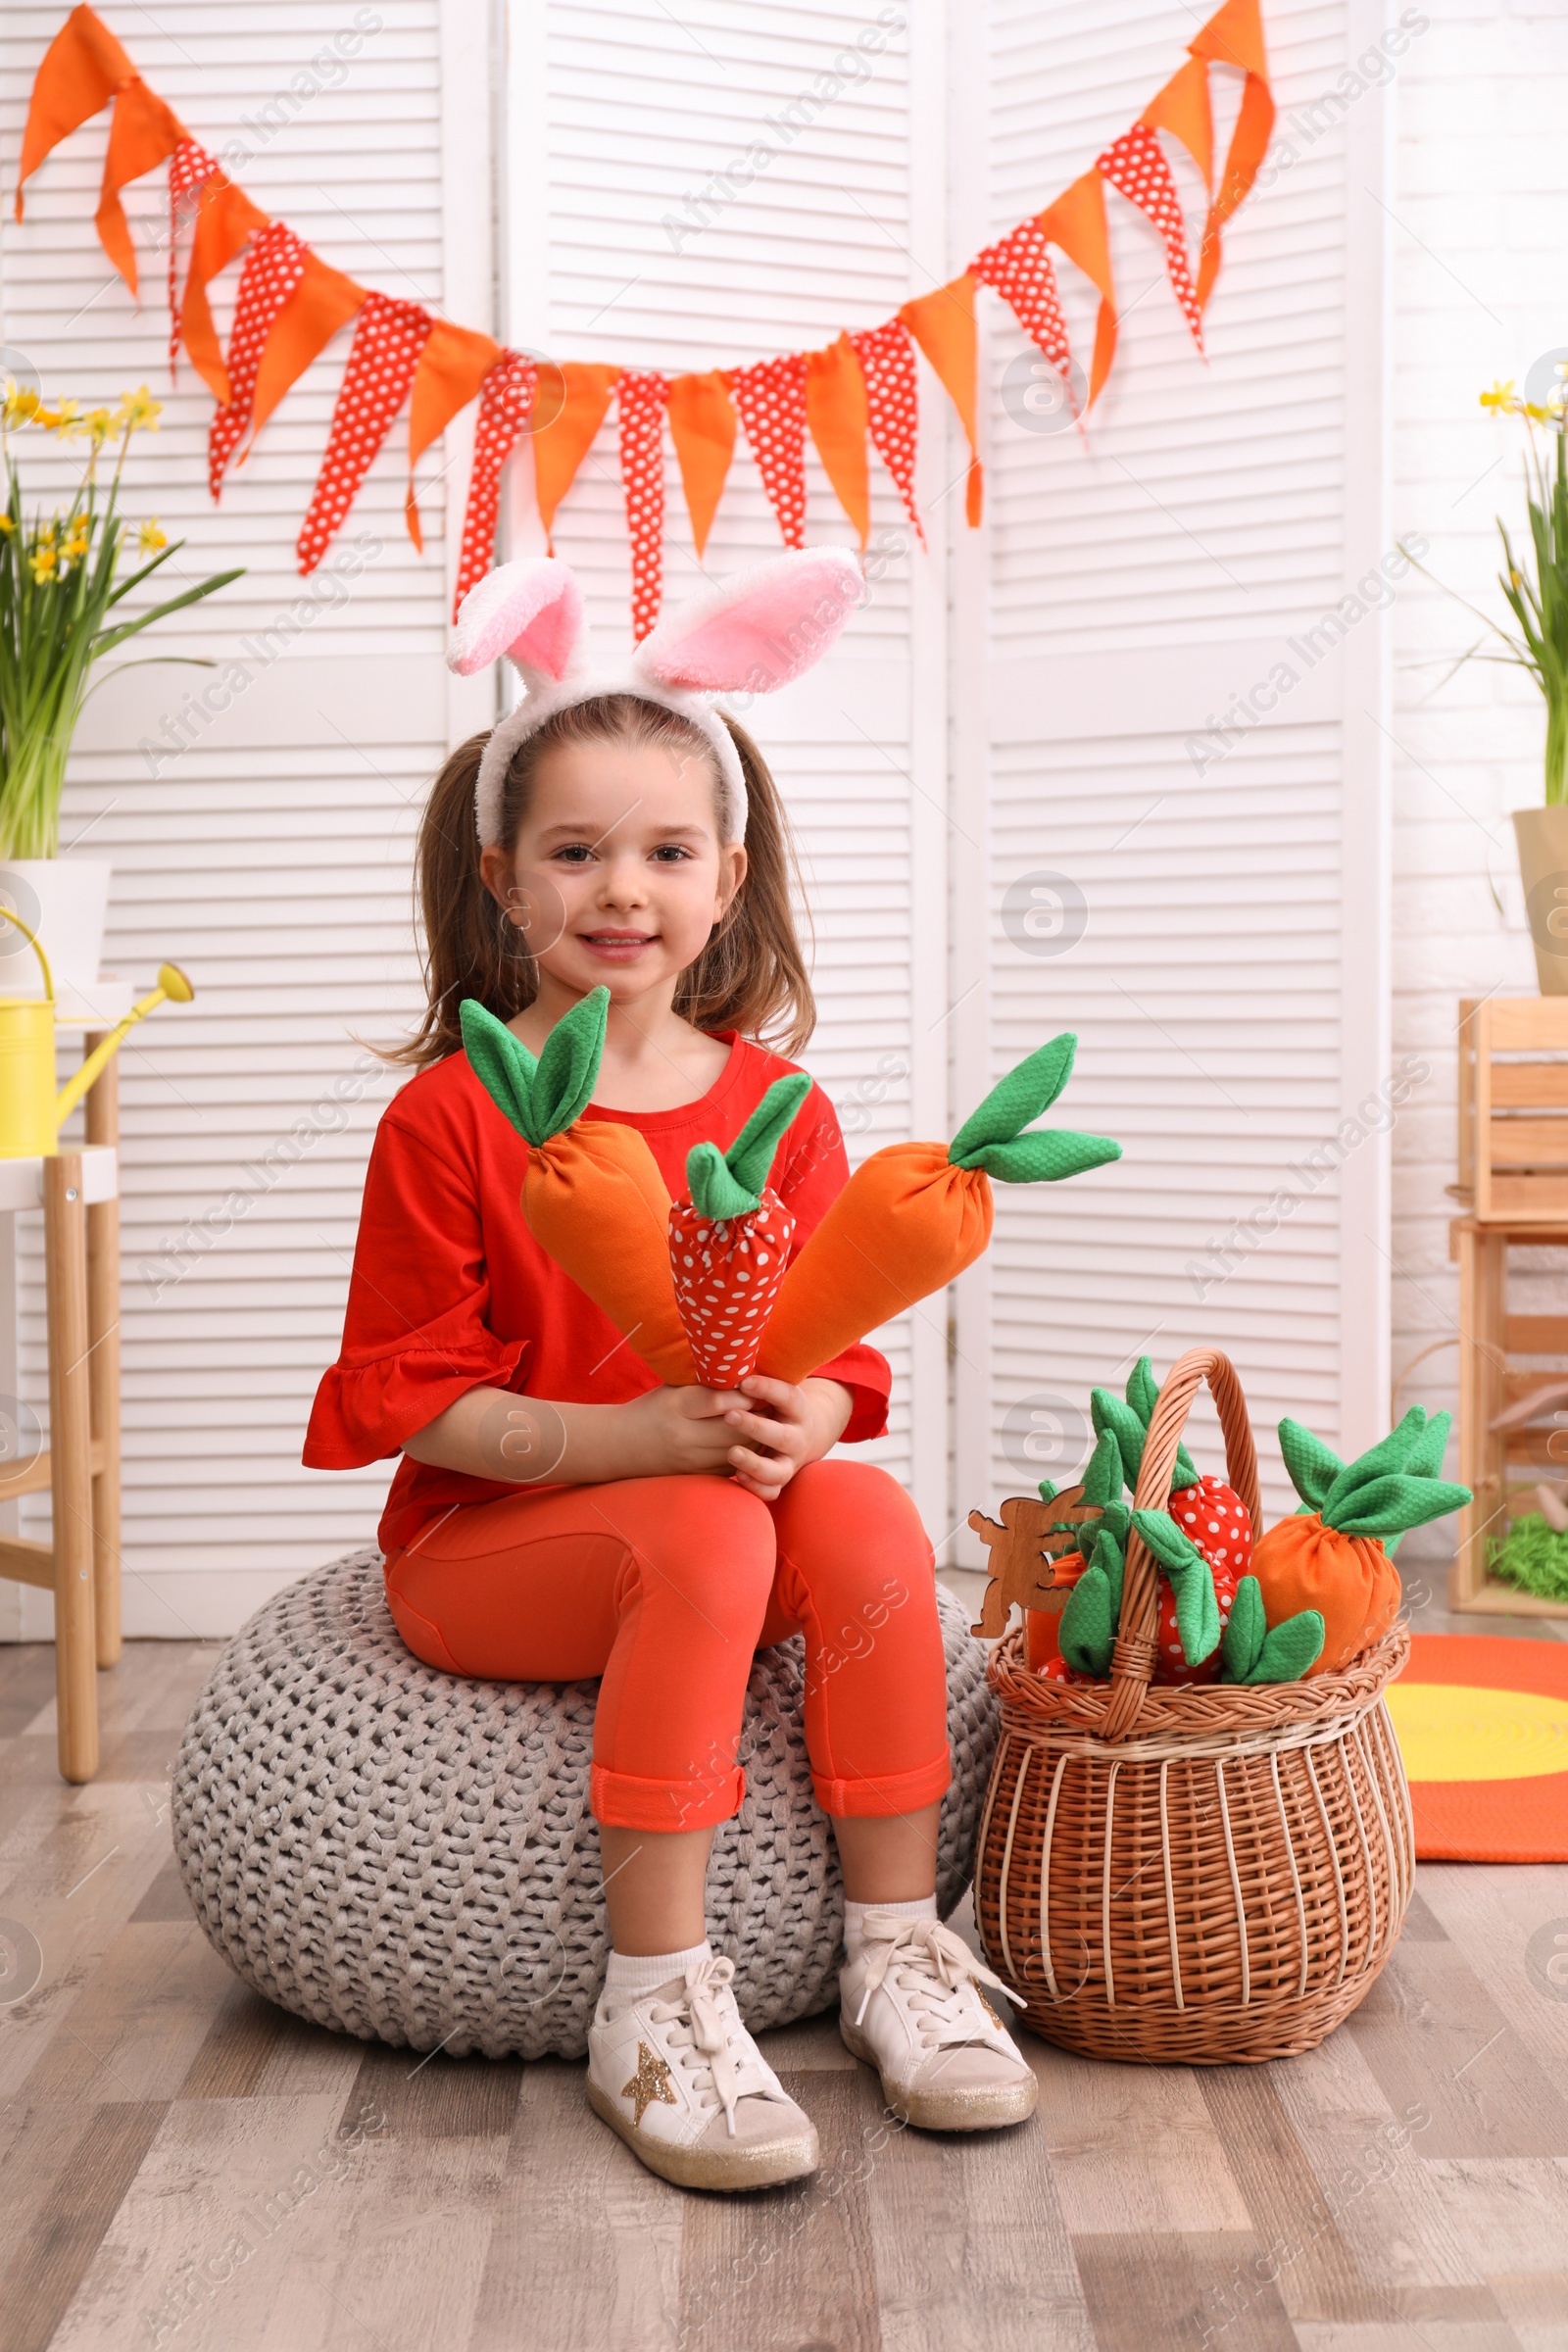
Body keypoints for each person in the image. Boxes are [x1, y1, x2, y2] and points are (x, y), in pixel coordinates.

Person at [305, 552, 1036, 2192]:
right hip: (485, 1548)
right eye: (575, 852)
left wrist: (813, 1414)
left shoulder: (776, 1108)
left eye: (663, 850)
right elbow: (417, 1398)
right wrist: (631, 1436)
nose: (618, 889)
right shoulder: (449, 1119)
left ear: (727, 875)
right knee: (707, 1531)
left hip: (715, 1517)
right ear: (506, 882)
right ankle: (651, 2000)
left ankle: (893, 1948)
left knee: (861, 1521)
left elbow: (840, 1353)